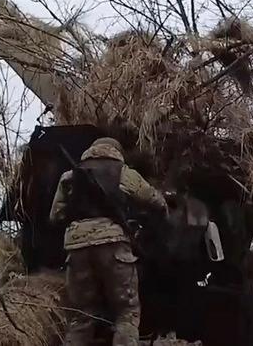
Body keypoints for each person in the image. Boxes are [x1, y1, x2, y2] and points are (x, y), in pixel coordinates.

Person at [49, 137, 168, 346]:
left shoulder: (70, 176)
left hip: (77, 248)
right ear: (116, 151)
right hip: (113, 244)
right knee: (127, 313)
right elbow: (154, 200)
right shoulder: (123, 172)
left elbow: (55, 216)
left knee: (81, 317)